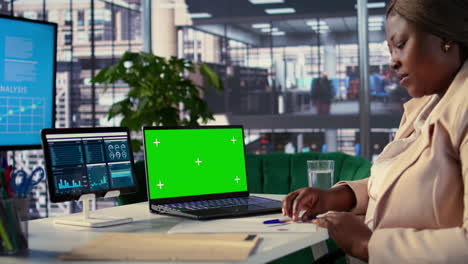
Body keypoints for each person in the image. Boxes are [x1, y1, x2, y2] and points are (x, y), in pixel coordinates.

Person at [282, 0, 468, 263]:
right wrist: (337, 197)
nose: (392, 62)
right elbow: (403, 183)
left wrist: (367, 244)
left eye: (401, 44)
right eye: (390, 49)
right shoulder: (425, 105)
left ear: (446, 37)